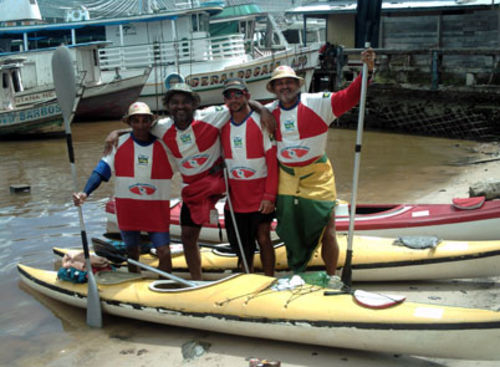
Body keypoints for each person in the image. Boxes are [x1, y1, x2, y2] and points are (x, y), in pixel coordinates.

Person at [105, 84, 275, 280]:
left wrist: (262, 110)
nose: (180, 107)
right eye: (175, 103)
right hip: (192, 188)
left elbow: (238, 103)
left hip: (216, 181)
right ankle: (197, 280)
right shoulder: (162, 127)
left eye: (185, 102)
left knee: (256, 234)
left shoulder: (212, 115)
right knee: (187, 236)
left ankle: (260, 273)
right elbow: (139, 127)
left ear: (194, 104)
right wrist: (117, 133)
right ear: (168, 106)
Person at [265, 48, 376, 285]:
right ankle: (297, 269)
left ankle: (332, 276)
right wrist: (255, 106)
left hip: (317, 175)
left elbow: (350, 97)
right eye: (279, 84)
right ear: (274, 89)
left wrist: (366, 71)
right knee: (289, 227)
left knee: (329, 229)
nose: (285, 87)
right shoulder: (268, 112)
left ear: (297, 85)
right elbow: (236, 112)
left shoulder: (318, 103)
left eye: (289, 82)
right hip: (286, 176)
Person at [73, 101, 174, 274]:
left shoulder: (166, 145)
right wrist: (85, 192)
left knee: (164, 251)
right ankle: (134, 280)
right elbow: (101, 171)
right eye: (135, 121)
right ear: (129, 123)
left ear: (152, 121)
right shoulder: (118, 144)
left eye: (145, 120)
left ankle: (167, 285)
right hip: (129, 208)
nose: (141, 125)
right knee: (132, 252)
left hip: (156, 209)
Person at [220, 78, 278, 276]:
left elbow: (272, 162)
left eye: (238, 94)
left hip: (259, 196)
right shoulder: (221, 123)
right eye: (229, 95)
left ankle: (269, 278)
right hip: (235, 200)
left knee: (263, 237)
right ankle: (247, 278)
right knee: (242, 245)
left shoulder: (261, 122)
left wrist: (270, 196)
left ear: (247, 96)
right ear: (225, 100)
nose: (234, 99)